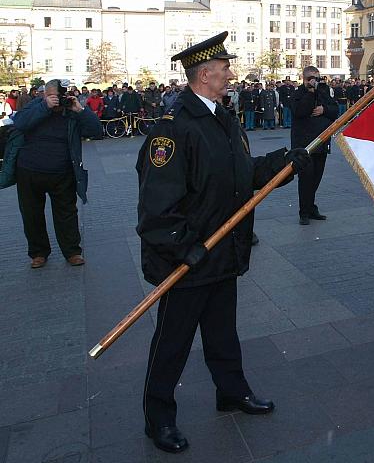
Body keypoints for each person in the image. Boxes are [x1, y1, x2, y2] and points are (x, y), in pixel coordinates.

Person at [136, 32, 311, 454]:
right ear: (205, 75)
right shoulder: (173, 130)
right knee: (173, 341)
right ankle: (158, 417)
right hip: (190, 258)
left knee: (222, 332)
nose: (231, 74)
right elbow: (157, 206)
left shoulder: (224, 120)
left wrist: (282, 164)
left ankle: (231, 390)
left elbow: (242, 174)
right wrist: (184, 248)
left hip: (223, 249)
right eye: (225, 69)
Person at [12, 79, 101, 268]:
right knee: (31, 215)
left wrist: (81, 110)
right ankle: (38, 253)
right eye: (53, 96)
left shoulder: (71, 110)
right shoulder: (35, 105)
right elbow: (19, 123)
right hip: (29, 171)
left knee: (67, 213)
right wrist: (44, 107)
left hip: (62, 173)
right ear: (45, 93)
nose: (57, 100)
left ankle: (72, 252)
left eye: (60, 96)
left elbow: (96, 131)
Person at [292, 65, 339, 225]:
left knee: (316, 178)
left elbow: (335, 110)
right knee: (305, 178)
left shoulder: (323, 93)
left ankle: (311, 207)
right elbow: (300, 112)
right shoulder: (298, 94)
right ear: (304, 79)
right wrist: (311, 93)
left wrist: (323, 109)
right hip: (304, 146)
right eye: (311, 78)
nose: (314, 82)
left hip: (321, 143)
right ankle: (303, 211)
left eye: (317, 79)